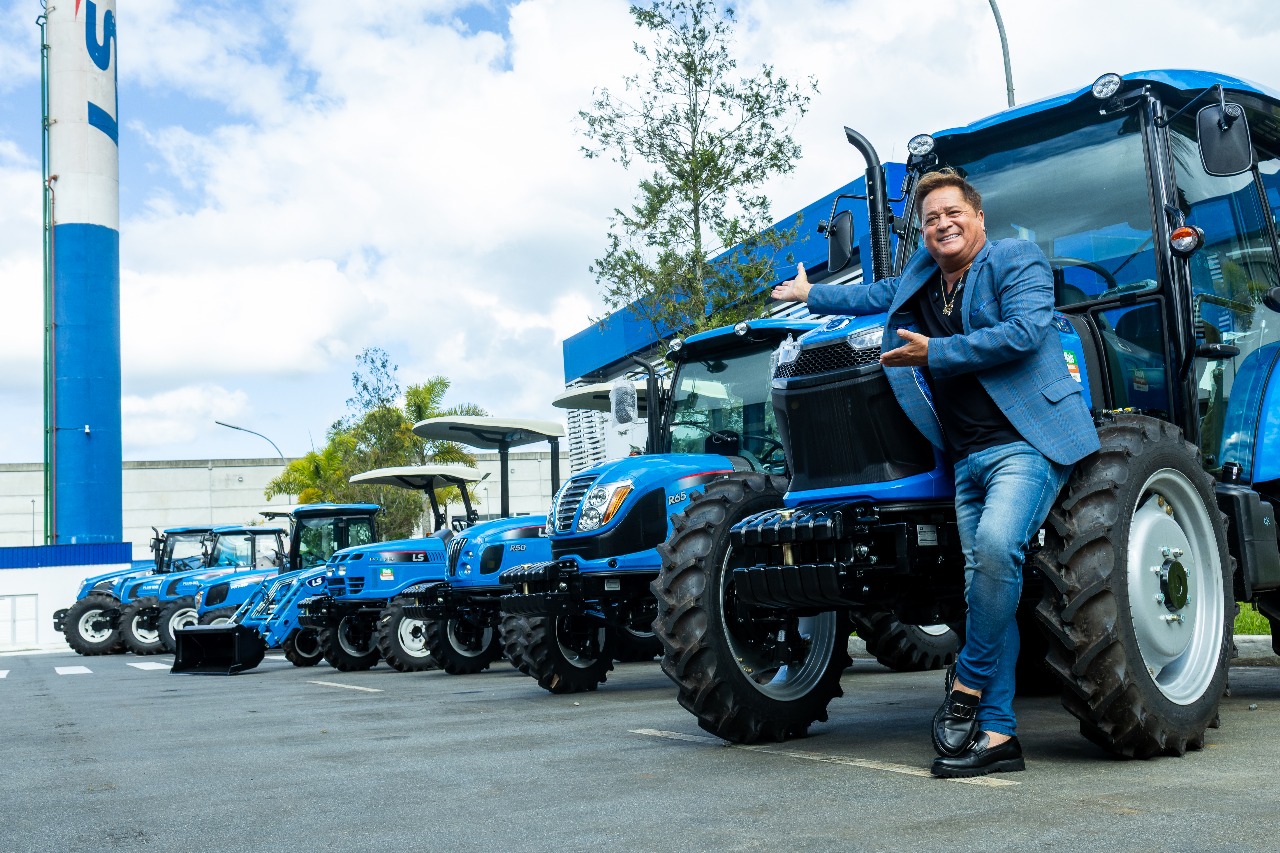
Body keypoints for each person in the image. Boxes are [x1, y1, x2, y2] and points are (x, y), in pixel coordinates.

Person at [771, 168, 1099, 778]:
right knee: (984, 592)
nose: (942, 224)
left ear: (978, 217)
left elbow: (1025, 333)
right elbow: (876, 295)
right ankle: (998, 737)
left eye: (952, 213)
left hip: (1025, 443)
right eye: (930, 219)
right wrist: (808, 295)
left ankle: (967, 683)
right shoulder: (925, 277)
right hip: (967, 460)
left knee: (1000, 552)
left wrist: (935, 353)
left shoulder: (1015, 260)